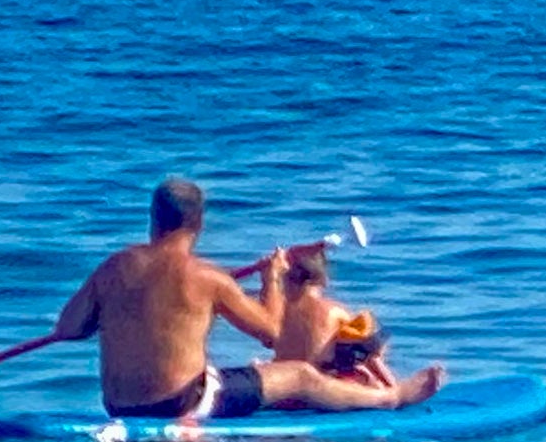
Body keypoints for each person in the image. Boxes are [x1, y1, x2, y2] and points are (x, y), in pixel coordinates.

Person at [52, 178, 440, 421]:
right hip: (181, 404)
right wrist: (271, 279)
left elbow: (67, 329)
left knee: (229, 372)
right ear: (199, 224)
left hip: (117, 406)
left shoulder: (113, 267)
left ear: (153, 219)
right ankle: (390, 398)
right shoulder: (208, 277)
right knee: (299, 375)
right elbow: (271, 333)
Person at [260, 240, 395, 385]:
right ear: (324, 279)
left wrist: (268, 281)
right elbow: (370, 358)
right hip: (321, 386)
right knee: (372, 347)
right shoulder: (336, 312)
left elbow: (267, 340)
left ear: (286, 279)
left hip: (285, 385)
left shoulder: (278, 314)